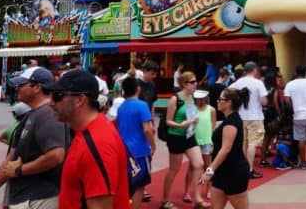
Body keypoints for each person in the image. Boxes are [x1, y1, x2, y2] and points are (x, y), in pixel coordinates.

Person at [0, 66, 69, 209]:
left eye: (21, 85)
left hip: (41, 197)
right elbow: (10, 161)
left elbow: (56, 155)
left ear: (37, 87)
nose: (16, 88)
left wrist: (20, 170)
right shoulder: (33, 114)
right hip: (27, 196)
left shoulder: (47, 114)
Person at [46, 70, 130, 208]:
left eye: (57, 96)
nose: (51, 102)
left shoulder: (97, 142)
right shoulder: (90, 131)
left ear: (80, 100)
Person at [161, 71, 208, 209]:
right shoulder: (176, 99)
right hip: (176, 136)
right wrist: (181, 124)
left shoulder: (193, 97)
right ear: (184, 83)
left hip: (189, 134)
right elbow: (168, 121)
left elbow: (192, 114)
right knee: (174, 169)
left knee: (198, 164)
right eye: (192, 82)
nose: (195, 84)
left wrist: (194, 121)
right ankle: (165, 200)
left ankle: (198, 199)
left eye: (195, 81)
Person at [198, 87, 250, 209]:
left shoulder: (231, 122)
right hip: (221, 172)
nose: (217, 101)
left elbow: (226, 149)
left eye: (220, 99)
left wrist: (209, 170)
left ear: (229, 102)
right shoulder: (229, 120)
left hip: (234, 173)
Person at [116, 77, 155, 209]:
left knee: (126, 184)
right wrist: (153, 146)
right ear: (138, 89)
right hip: (139, 151)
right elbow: (147, 130)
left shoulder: (121, 107)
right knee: (140, 185)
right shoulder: (142, 105)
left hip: (124, 150)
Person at [229, 61, 268, 179]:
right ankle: (250, 169)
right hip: (255, 117)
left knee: (244, 144)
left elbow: (226, 93)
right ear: (255, 70)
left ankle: (243, 168)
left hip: (241, 117)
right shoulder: (258, 83)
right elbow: (263, 101)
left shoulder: (237, 83)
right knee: (252, 143)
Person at [285, 64, 306, 170]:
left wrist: (293, 108)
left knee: (301, 139)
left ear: (296, 72)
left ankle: (303, 163)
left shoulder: (290, 84)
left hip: (298, 115)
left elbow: (286, 100)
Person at [193, 89, 216, 201]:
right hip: (194, 141)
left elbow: (213, 125)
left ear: (206, 99)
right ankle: (191, 190)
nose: (199, 101)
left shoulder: (211, 110)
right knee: (194, 166)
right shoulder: (192, 109)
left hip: (207, 141)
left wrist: (212, 141)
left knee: (208, 165)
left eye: (201, 99)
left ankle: (209, 189)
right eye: (197, 99)